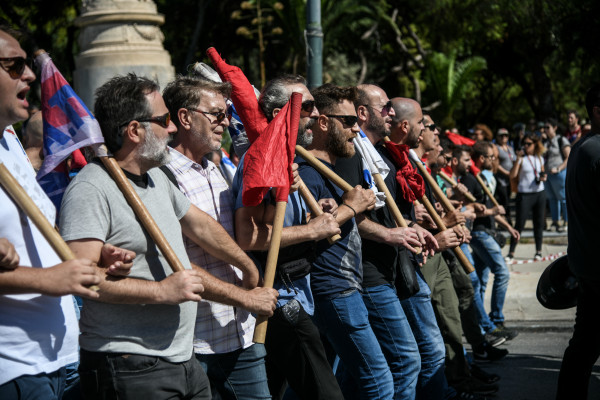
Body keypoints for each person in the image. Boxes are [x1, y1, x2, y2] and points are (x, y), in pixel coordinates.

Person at [59, 73, 277, 399]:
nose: (172, 128)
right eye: (163, 120)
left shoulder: (157, 178)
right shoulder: (91, 188)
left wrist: (246, 264)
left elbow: (200, 226)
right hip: (129, 360)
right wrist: (162, 291)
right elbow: (82, 280)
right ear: (134, 131)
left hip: (179, 356)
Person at [0, 26, 136, 399]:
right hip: (13, 370)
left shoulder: (9, 141)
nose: (29, 75)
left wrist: (90, 259)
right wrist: (45, 280)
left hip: (62, 360)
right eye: (13, 66)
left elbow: (35, 233)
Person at [162, 75, 281, 399]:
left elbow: (247, 232)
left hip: (240, 331)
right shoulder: (162, 177)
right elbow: (174, 260)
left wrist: (279, 193)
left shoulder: (220, 170)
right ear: (185, 117)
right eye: (216, 114)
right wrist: (244, 295)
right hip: (194, 339)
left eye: (226, 113)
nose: (225, 122)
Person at [232, 74, 344, 400]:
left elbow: (276, 223)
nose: (316, 115)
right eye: (307, 106)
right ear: (283, 112)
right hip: (280, 300)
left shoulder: (285, 159)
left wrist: (310, 214)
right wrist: (313, 230)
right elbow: (249, 235)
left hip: (297, 294)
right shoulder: (262, 161)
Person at [297, 84, 398, 400]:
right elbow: (304, 231)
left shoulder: (327, 169)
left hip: (344, 288)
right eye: (350, 122)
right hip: (333, 289)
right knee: (380, 381)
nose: (358, 129)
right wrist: (349, 208)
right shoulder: (306, 173)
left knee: (324, 384)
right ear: (324, 123)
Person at [335, 84, 426, 400]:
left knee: (353, 373)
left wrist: (413, 227)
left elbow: (386, 214)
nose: (391, 112)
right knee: (406, 360)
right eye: (384, 106)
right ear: (362, 113)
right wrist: (390, 235)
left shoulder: (375, 154)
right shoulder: (350, 154)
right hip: (368, 274)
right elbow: (348, 215)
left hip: (386, 269)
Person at [556, 83, 600, 400]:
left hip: (589, 265)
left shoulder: (583, 147)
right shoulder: (595, 149)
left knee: (585, 345)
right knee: (585, 346)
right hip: (597, 265)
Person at [453, 143, 520, 340]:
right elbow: (467, 212)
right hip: (479, 234)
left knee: (480, 282)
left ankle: (481, 326)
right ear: (482, 159)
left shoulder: (479, 180)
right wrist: (490, 211)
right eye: (491, 157)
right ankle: (495, 320)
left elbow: (489, 208)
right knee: (501, 272)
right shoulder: (470, 180)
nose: (494, 161)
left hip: (487, 232)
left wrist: (508, 226)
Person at [506, 133, 546, 261]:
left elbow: (543, 172)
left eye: (529, 144)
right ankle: (511, 252)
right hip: (524, 195)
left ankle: (538, 251)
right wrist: (518, 159)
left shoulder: (539, 158)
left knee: (538, 223)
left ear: (535, 145)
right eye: (524, 144)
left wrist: (544, 177)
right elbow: (512, 175)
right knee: (520, 224)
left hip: (539, 193)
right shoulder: (521, 159)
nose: (526, 146)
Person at [541, 118, 570, 233]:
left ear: (555, 128)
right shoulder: (545, 142)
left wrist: (559, 168)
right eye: (544, 128)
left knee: (563, 198)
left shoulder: (561, 140)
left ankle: (567, 221)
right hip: (547, 175)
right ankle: (555, 221)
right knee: (552, 199)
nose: (545, 130)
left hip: (559, 173)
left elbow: (569, 157)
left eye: (548, 128)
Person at [495, 128, 516, 225]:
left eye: (506, 135)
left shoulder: (510, 148)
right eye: (501, 135)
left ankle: (506, 218)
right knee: (504, 200)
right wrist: (506, 173)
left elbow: (514, 161)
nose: (504, 137)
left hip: (509, 179)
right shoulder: (496, 148)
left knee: (508, 198)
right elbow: (496, 164)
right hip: (501, 179)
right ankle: (505, 220)